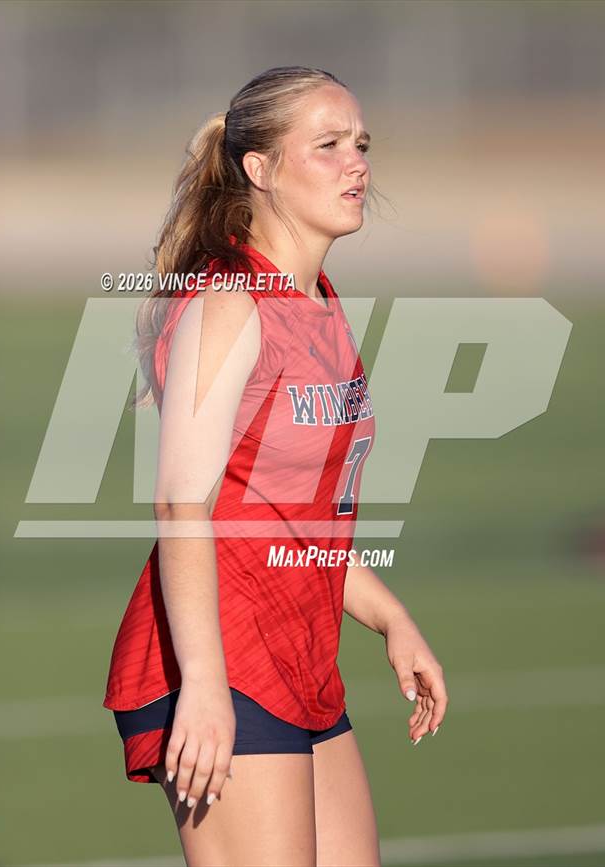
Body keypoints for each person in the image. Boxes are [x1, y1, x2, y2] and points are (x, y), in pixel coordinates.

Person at [103, 66, 448, 867]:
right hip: (218, 660)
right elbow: (183, 506)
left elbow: (290, 518)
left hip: (298, 659)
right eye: (326, 146)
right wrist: (206, 685)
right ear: (258, 168)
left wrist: (391, 616)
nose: (356, 163)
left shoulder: (318, 302)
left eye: (360, 144)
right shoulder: (231, 304)